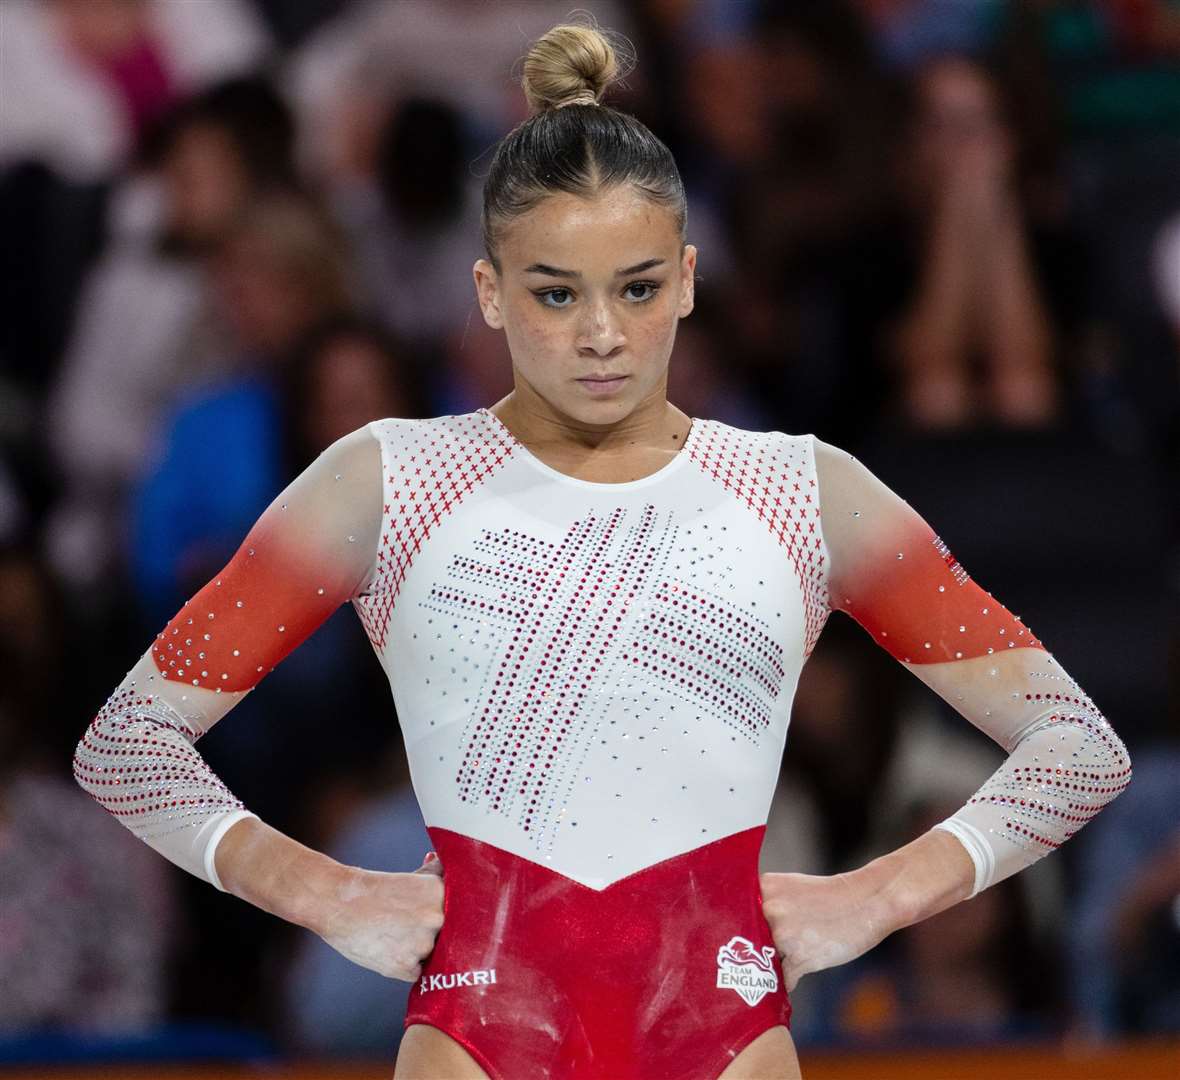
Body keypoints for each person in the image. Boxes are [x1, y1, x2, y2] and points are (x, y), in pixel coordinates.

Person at [73, 21, 1133, 1080]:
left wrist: (876, 897)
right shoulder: (388, 483)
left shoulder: (802, 493)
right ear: (488, 292)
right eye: (553, 293)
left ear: (684, 280)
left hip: (722, 1037)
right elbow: (128, 745)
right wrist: (325, 891)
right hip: (476, 1040)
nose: (599, 336)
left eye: (633, 289)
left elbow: (1075, 747)